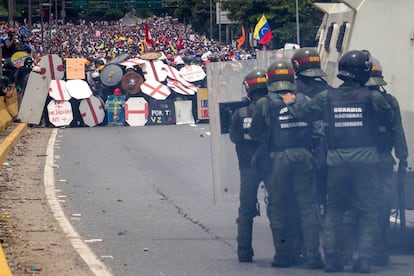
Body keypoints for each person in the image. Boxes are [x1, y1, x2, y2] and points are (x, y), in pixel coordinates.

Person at [281, 50, 394, 273]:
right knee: (368, 210)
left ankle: (332, 259)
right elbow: (388, 119)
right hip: (367, 162)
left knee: (335, 210)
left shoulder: (327, 97)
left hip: (336, 162)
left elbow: (304, 113)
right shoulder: (374, 98)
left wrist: (290, 103)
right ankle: (363, 259)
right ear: (363, 73)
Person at [249, 60, 322, 269]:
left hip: (278, 160)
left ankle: (283, 255)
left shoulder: (265, 103)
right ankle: (312, 255)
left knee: (279, 207)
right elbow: (317, 131)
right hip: (304, 157)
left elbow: (256, 133)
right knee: (308, 207)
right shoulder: (304, 99)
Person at [365, 56, 408, 266]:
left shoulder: (353, 98)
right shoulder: (390, 101)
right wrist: (403, 159)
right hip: (384, 159)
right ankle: (379, 248)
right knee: (383, 205)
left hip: (360, 161)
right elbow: (397, 132)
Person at [229, 69, 268, 263]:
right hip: (271, 164)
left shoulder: (240, 113)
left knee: (245, 210)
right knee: (280, 206)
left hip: (247, 166)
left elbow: (234, 138)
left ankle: (244, 251)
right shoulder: (274, 108)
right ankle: (285, 253)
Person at [292, 47, 332, 216]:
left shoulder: (291, 91)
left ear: (296, 65)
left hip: (300, 147)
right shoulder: (329, 89)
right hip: (329, 148)